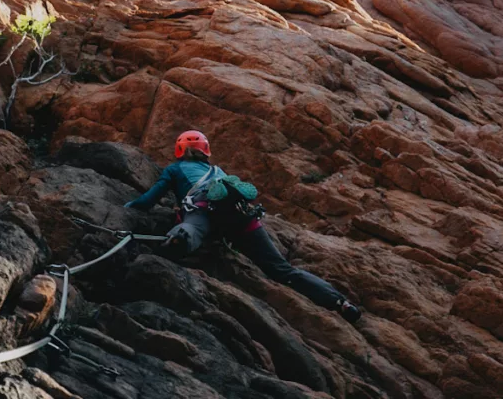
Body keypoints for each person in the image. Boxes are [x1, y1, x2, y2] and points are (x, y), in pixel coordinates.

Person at [124, 129, 362, 324]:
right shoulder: (219, 172)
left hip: (204, 213)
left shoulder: (174, 169)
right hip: (241, 220)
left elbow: (148, 200)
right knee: (283, 270)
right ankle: (340, 303)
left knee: (192, 228)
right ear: (205, 151)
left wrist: (128, 206)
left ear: (179, 150)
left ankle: (180, 240)